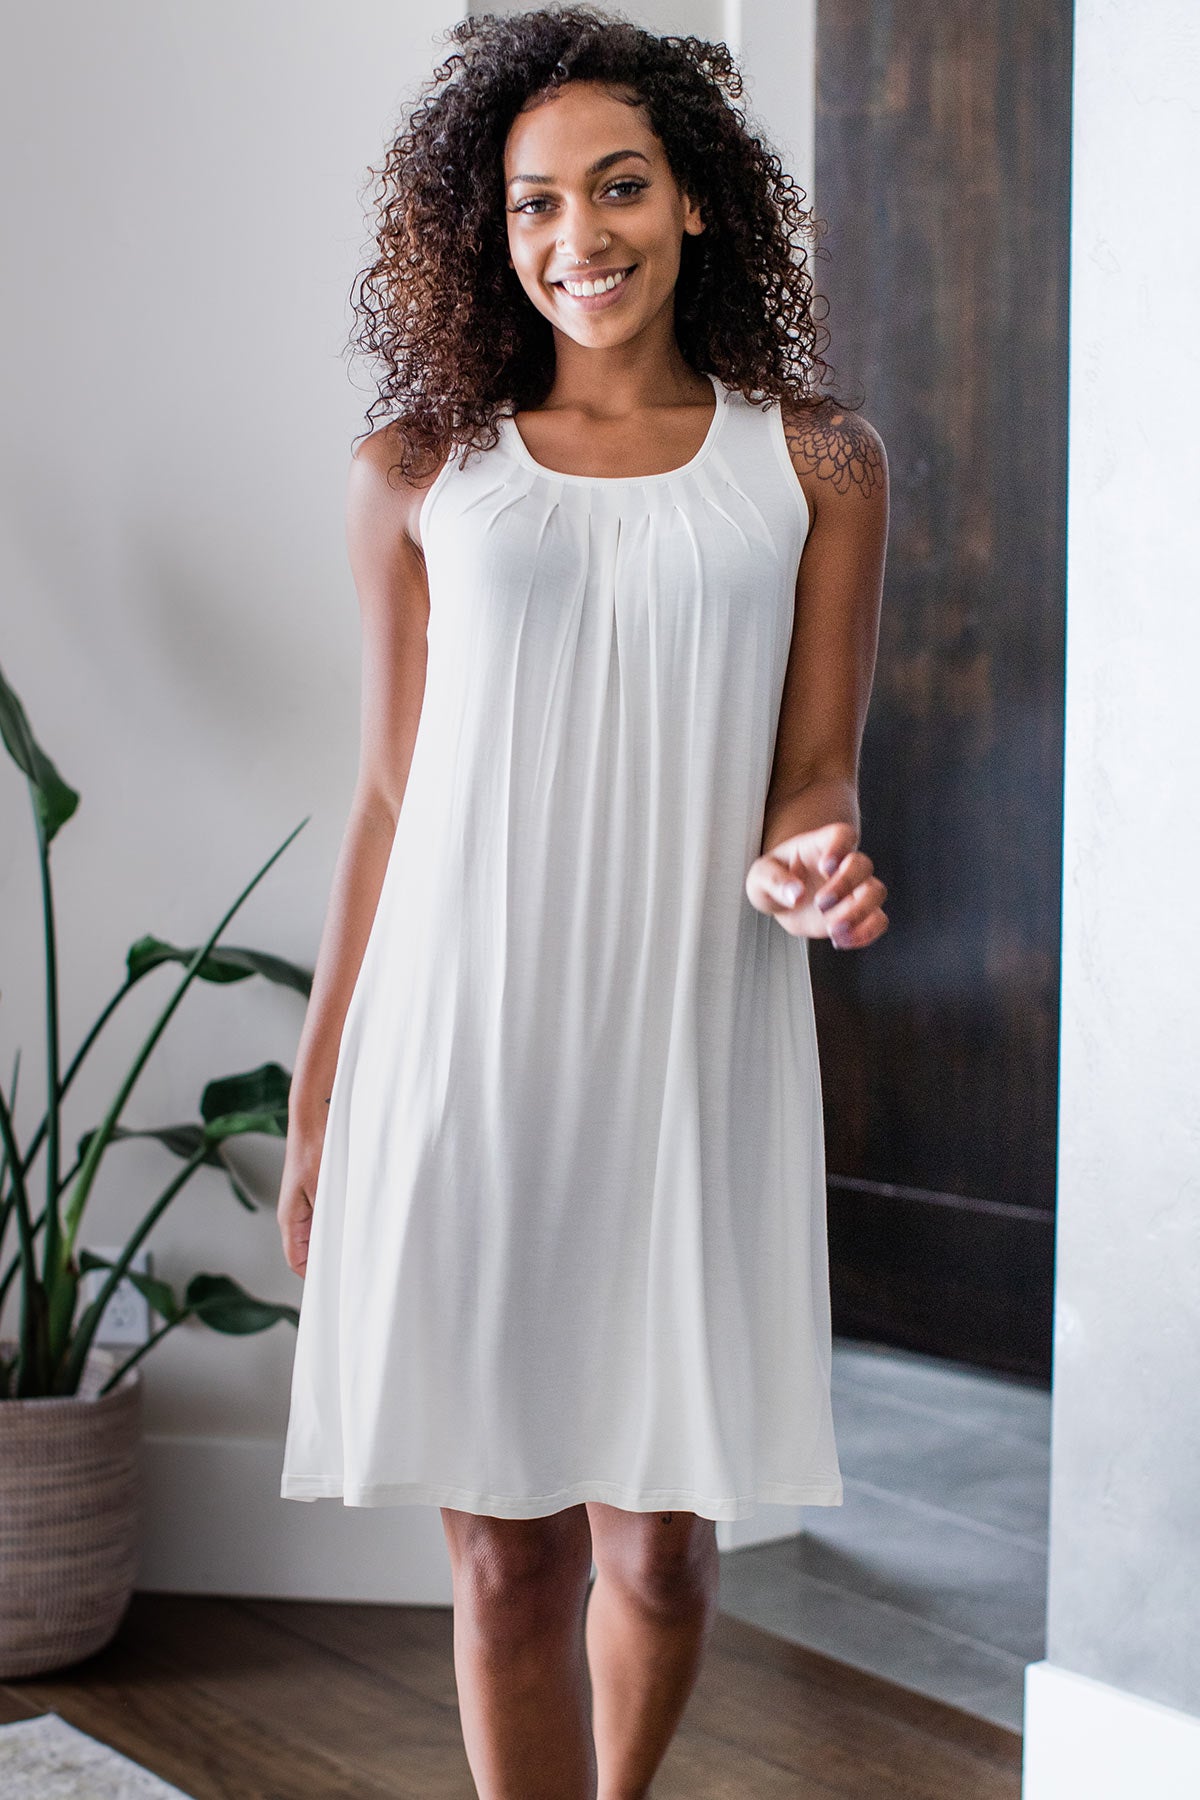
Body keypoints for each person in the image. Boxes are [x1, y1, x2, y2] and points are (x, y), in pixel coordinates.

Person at [276, 7, 889, 1796]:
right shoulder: (418, 472)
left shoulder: (816, 463)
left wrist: (813, 854)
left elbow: (816, 769)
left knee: (664, 1554)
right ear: (492, 230)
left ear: (695, 200)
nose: (577, 236)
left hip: (688, 1053)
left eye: (618, 187)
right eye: (534, 203)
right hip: (460, 1056)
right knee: (506, 1561)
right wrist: (320, 1103)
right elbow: (388, 799)